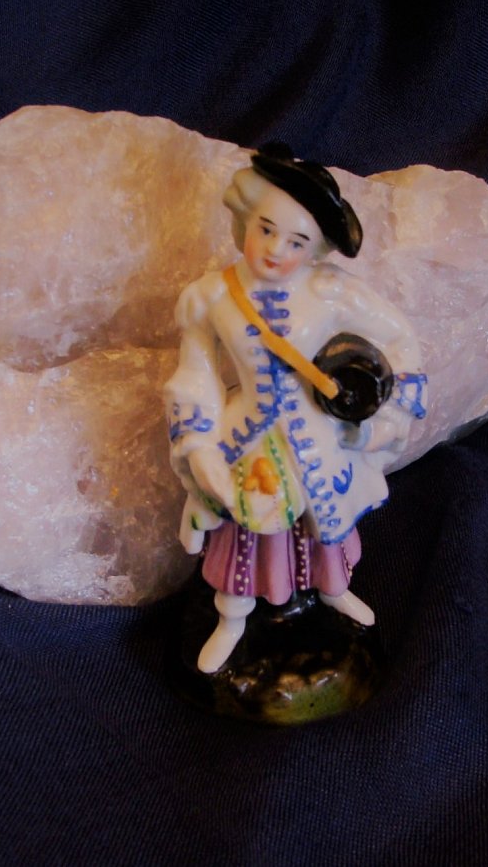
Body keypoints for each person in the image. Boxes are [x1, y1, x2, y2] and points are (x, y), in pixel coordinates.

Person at [164, 144, 427, 673]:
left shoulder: (331, 292)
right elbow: (196, 375)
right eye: (266, 229)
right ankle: (231, 620)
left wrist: (379, 418)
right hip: (246, 440)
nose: (274, 249)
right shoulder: (210, 297)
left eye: (296, 241)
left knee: (324, 525)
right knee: (241, 535)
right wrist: (197, 445)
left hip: (320, 438)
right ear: (245, 220)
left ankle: (333, 593)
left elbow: (402, 345)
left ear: (315, 248)